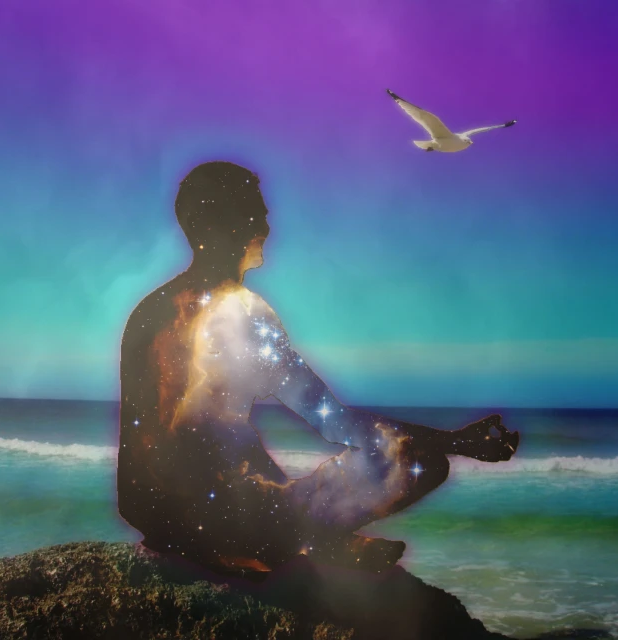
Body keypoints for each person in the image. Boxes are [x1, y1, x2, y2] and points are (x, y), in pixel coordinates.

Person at [117, 161, 519, 575]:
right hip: (229, 523)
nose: (267, 223)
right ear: (224, 224)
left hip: (157, 517)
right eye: (256, 210)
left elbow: (146, 462)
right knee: (421, 463)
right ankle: (309, 546)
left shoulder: (147, 312)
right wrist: (455, 442)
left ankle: (306, 543)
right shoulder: (243, 315)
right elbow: (335, 421)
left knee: (249, 462)